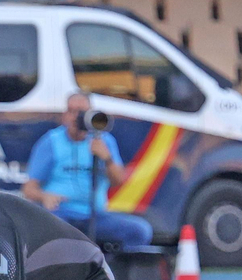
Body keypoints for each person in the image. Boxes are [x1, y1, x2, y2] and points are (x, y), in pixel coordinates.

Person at [21, 92, 153, 251]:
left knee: (140, 231)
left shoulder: (104, 140)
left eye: (82, 112)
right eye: (72, 111)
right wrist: (44, 196)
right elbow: (28, 188)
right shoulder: (51, 141)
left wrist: (107, 158)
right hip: (60, 214)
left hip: (95, 216)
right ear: (64, 115)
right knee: (41, 229)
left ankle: (107, 269)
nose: (76, 117)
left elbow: (118, 181)